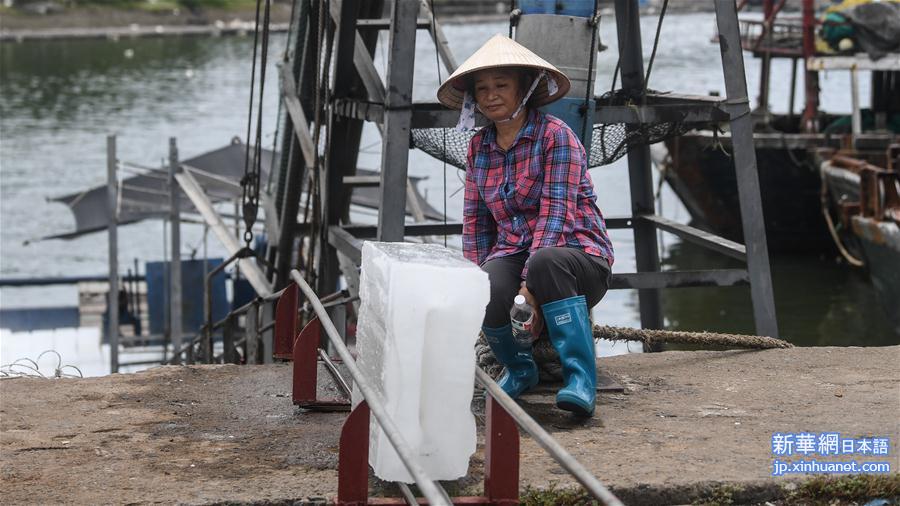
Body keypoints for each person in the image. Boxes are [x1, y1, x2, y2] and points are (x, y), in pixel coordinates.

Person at [437, 35, 614, 417]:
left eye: (501, 85)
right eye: (482, 89)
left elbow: (557, 214)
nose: (491, 95)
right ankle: (520, 369)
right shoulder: (478, 149)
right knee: (487, 278)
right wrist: (476, 289)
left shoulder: (556, 136)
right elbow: (477, 225)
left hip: (578, 259)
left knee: (546, 260)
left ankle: (580, 377)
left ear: (525, 89)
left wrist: (528, 291)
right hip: (519, 257)